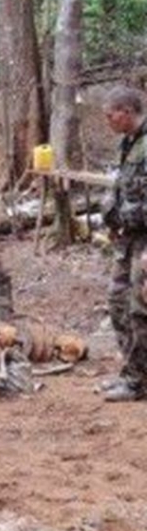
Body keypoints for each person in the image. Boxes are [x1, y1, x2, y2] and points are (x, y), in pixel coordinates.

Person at [99, 85, 147, 402]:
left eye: (110, 114)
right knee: (117, 303)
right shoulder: (129, 143)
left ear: (127, 112)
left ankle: (138, 382)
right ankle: (131, 372)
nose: (107, 120)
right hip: (127, 239)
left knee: (139, 309)